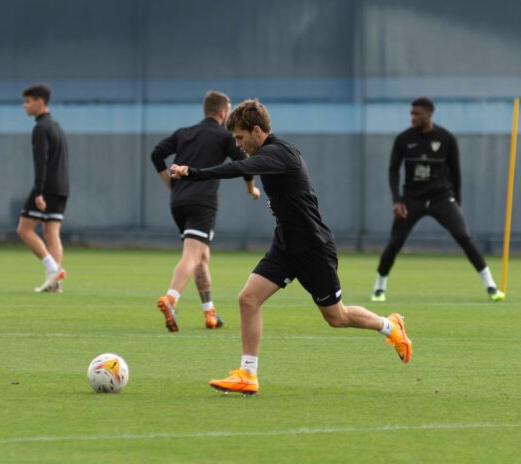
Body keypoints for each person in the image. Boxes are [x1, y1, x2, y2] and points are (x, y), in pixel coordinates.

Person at [170, 99, 411, 395]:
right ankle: (248, 374)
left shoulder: (280, 153)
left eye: (240, 138)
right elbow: (244, 164)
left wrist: (193, 173)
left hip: (313, 247)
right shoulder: (266, 152)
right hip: (286, 244)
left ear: (257, 131)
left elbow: (240, 168)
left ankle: (390, 327)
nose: (238, 144)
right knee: (247, 299)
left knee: (336, 316)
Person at [371, 97, 505, 303]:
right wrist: (397, 200)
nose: (413, 117)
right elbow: (393, 170)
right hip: (412, 199)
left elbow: (455, 171)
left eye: (417, 113)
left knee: (463, 236)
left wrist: (456, 199)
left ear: (429, 113)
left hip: (441, 197)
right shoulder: (403, 139)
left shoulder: (446, 139)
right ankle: (379, 287)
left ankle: (491, 286)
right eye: (411, 113)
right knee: (395, 242)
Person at [151, 90, 260, 332]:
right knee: (192, 254)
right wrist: (251, 189)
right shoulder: (224, 136)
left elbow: (156, 154)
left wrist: (170, 184)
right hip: (202, 201)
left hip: (177, 201)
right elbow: (244, 164)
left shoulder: (185, 132)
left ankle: (209, 312)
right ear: (223, 113)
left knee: (201, 257)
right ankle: (171, 298)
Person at [16, 83, 70, 293]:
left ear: (40, 102)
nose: (25, 106)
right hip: (62, 186)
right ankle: (54, 283)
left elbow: (41, 161)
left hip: (47, 187)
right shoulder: (56, 126)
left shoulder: (41, 128)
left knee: (24, 229)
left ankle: (53, 269)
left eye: (28, 101)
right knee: (51, 232)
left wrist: (39, 191)